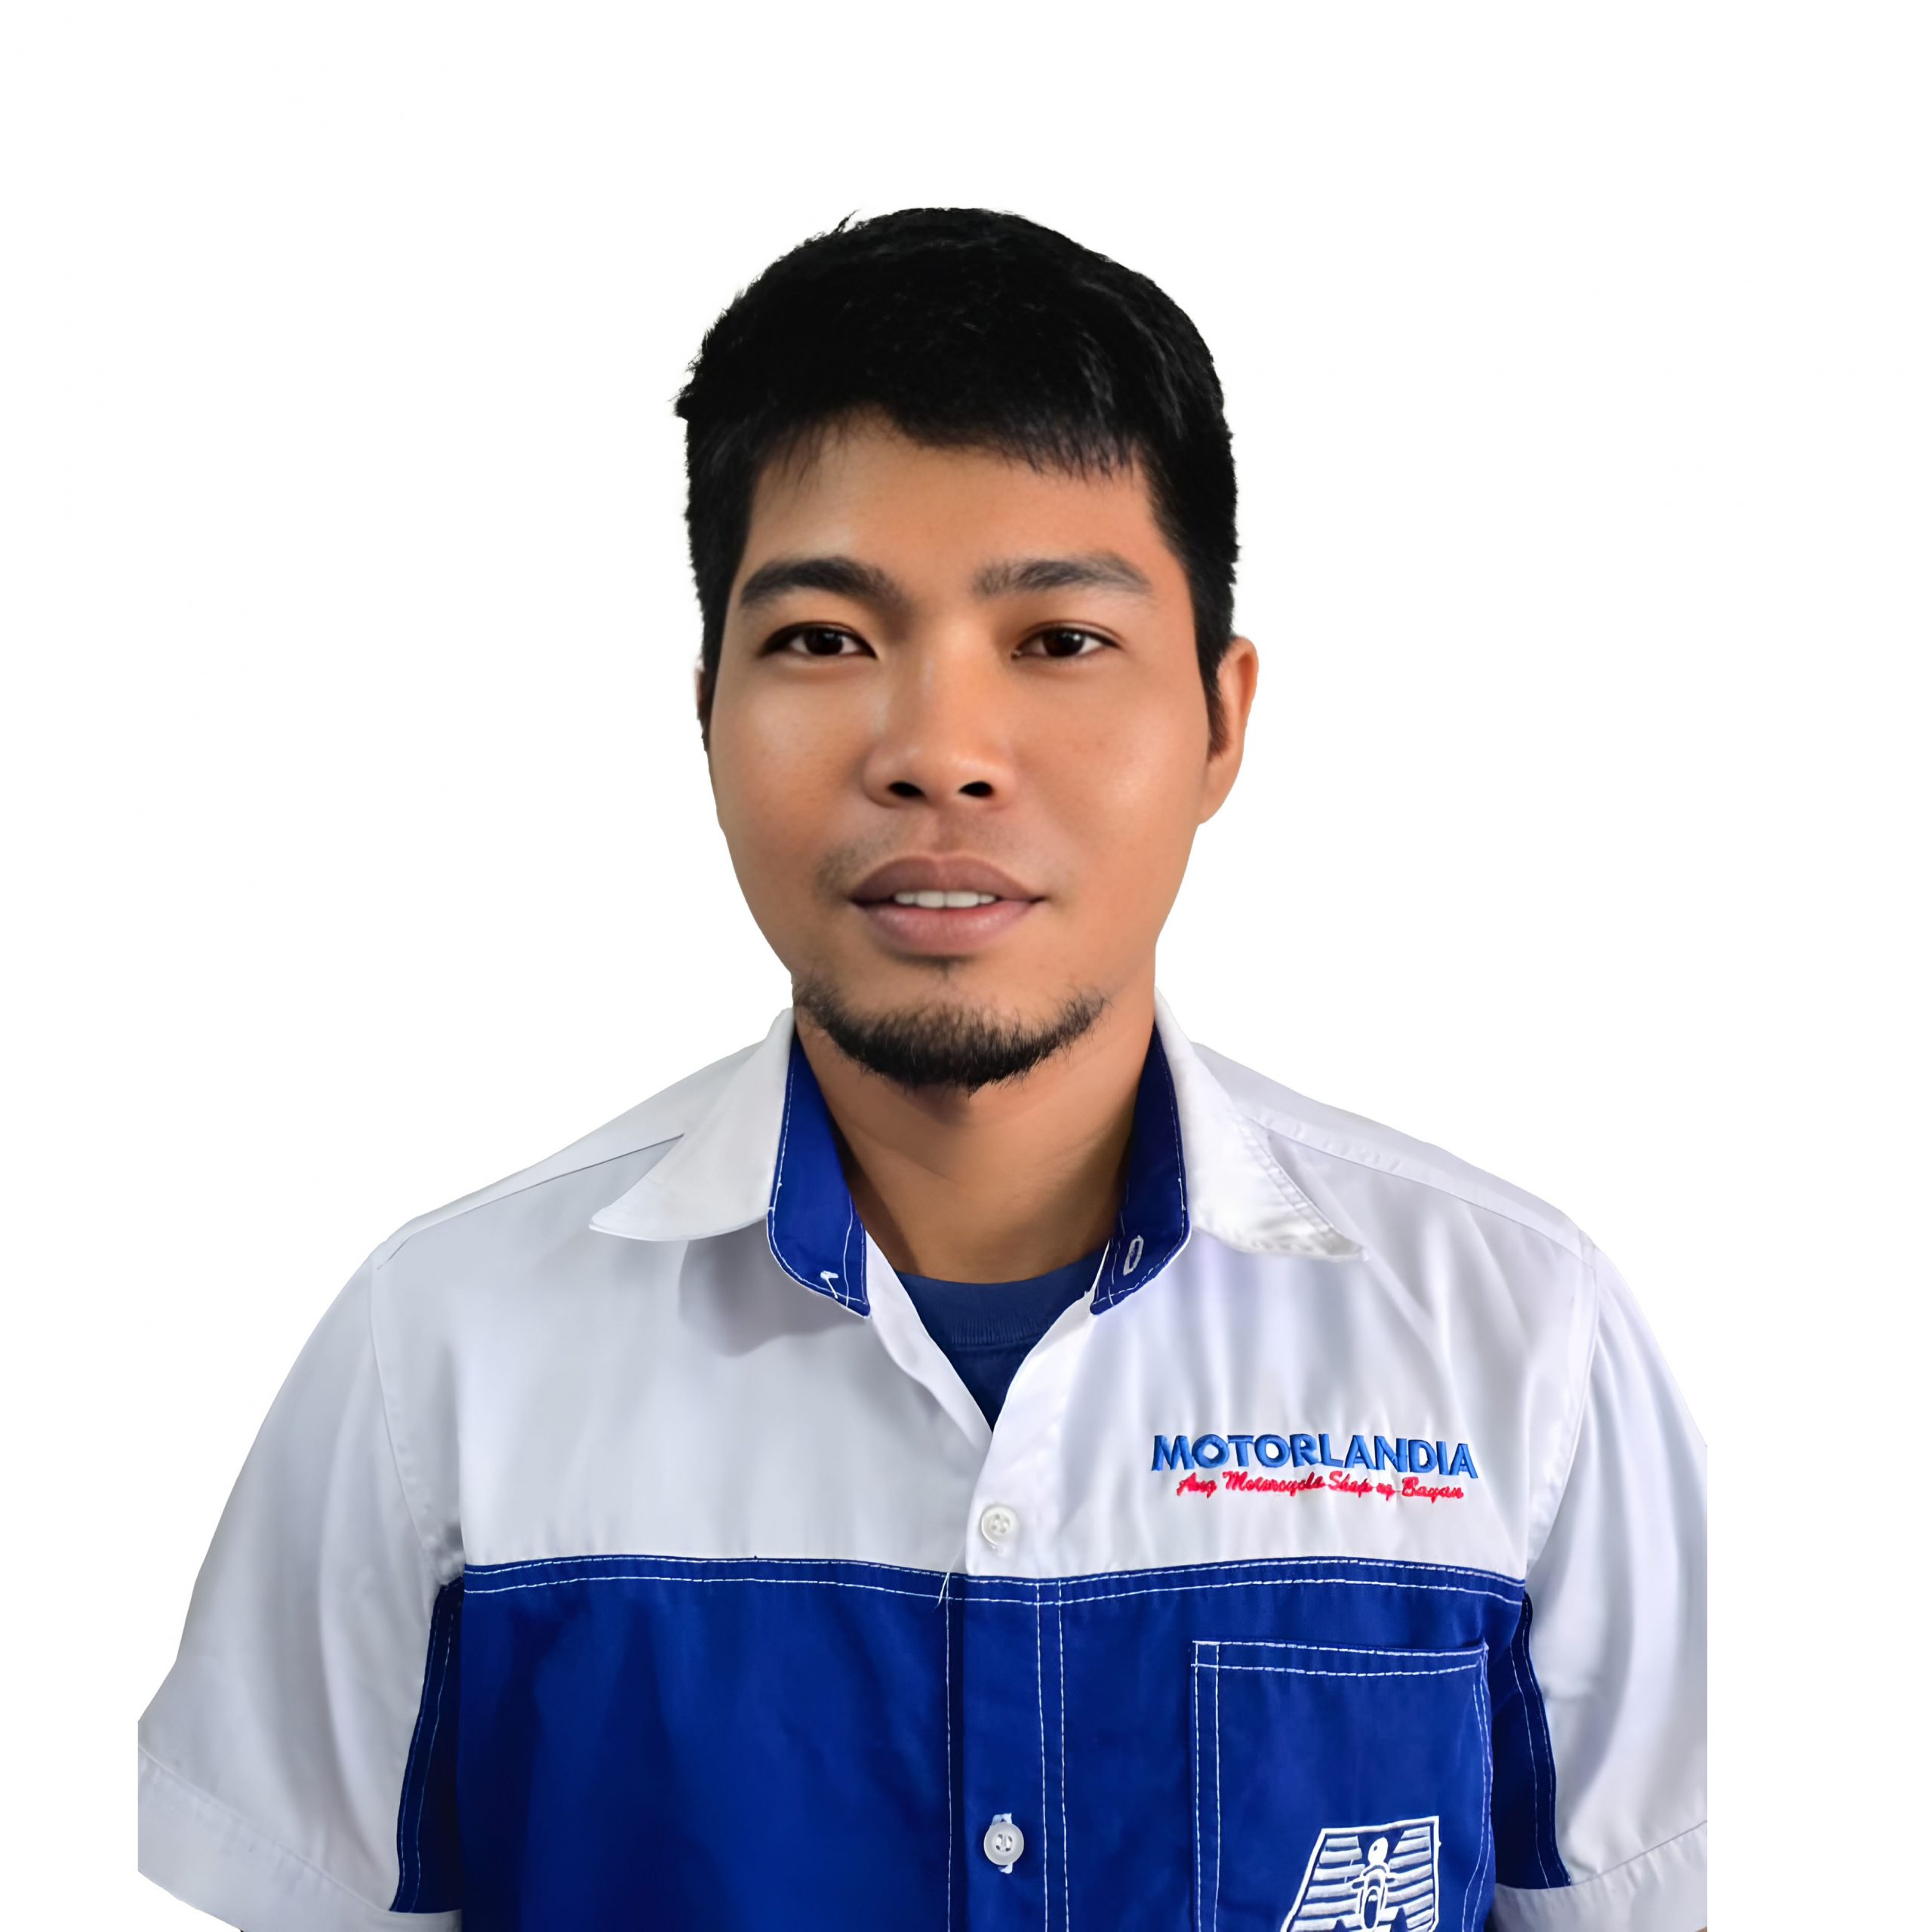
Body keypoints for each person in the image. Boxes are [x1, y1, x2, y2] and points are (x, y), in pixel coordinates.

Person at [137, 207, 1707, 1931]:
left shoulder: (1511, 1335)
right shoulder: (444, 1351)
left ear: (1220, 718)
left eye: (1058, 639)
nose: (938, 754)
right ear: (706, 711)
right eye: (823, 638)